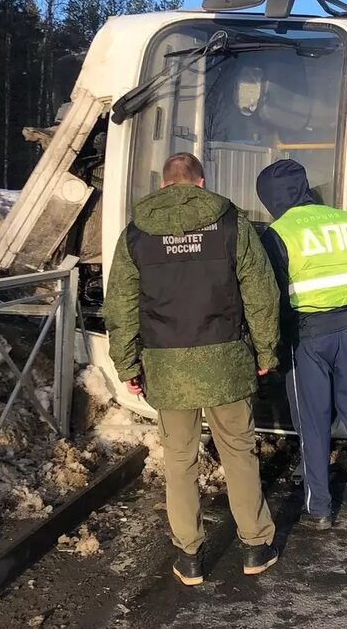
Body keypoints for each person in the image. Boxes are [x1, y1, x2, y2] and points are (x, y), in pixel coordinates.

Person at [103, 152, 281, 586]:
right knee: (239, 453)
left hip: (166, 366)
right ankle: (256, 546)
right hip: (226, 361)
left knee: (180, 460)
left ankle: (190, 557)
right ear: (200, 183)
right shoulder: (231, 224)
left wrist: (126, 362)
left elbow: (120, 306)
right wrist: (265, 352)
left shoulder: (136, 234)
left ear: (165, 186)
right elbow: (261, 292)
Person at [255, 159, 347, 529]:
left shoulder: (277, 234)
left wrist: (266, 347)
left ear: (271, 198)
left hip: (306, 338)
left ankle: (319, 509)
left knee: (313, 422)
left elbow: (268, 297)